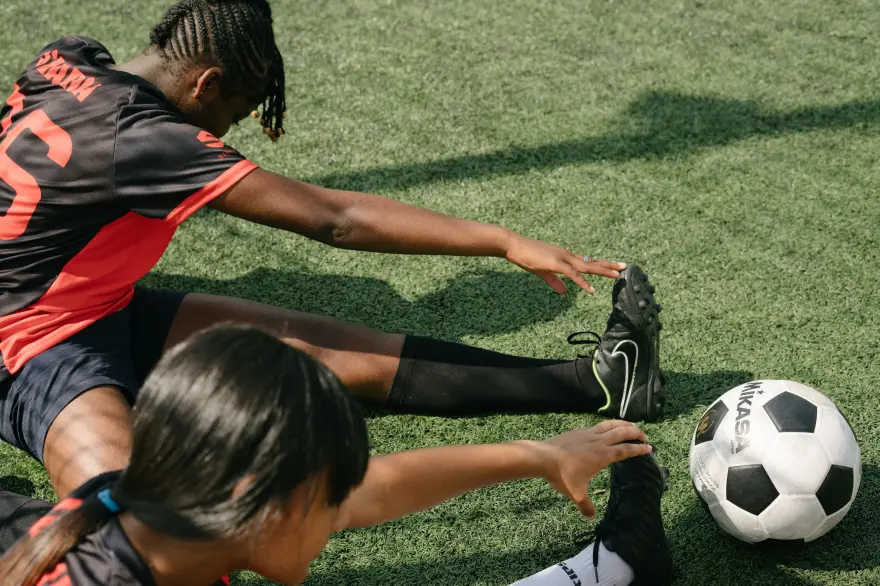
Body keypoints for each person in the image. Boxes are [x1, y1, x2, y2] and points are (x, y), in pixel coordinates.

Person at [0, 0, 664, 499]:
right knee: (131, 520)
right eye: (233, 113)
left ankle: (599, 383)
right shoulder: (154, 142)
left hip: (93, 307)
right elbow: (335, 219)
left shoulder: (69, 58)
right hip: (26, 343)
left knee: (328, 347)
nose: (227, 134)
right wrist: (503, 240)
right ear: (205, 85)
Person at [0, 325, 673, 586]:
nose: (337, 520)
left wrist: (540, 455)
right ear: (250, 498)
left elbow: (372, 491)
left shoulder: (149, 509)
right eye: (325, 503)